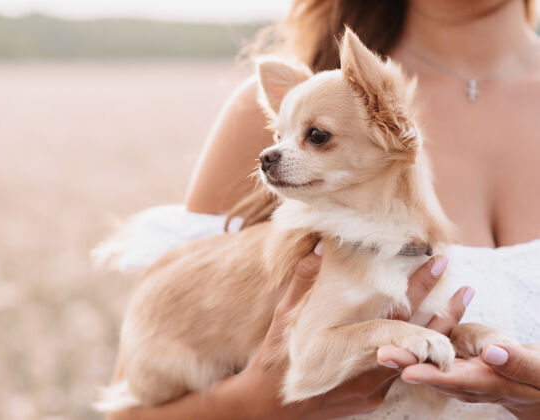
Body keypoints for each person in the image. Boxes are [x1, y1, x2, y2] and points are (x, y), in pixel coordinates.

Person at [107, 0, 540, 418]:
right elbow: (129, 412)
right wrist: (249, 407)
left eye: (317, 137)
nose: (275, 152)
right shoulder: (307, 94)